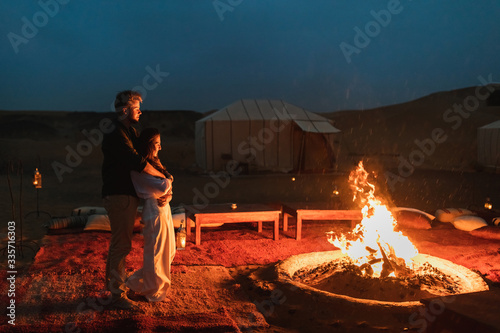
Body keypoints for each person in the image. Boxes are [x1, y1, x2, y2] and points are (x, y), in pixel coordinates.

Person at [102, 90, 165, 310]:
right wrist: (163, 178)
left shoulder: (128, 130)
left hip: (123, 194)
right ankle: (117, 295)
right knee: (121, 245)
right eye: (137, 108)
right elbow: (135, 160)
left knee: (118, 244)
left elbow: (145, 152)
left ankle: (112, 288)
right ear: (125, 110)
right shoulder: (116, 131)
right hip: (119, 194)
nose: (140, 111)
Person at [126, 128, 176, 302]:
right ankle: (152, 292)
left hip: (164, 208)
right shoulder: (139, 169)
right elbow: (163, 186)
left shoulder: (155, 164)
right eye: (157, 143)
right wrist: (168, 182)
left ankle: (135, 283)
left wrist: (167, 189)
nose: (160, 147)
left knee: (169, 251)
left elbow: (165, 187)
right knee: (156, 253)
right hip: (153, 209)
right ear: (148, 145)